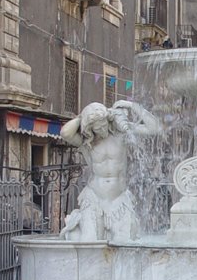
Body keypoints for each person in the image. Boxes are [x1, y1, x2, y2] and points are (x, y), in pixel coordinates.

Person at [59, 100, 161, 242]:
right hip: (94, 197)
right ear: (90, 129)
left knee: (124, 245)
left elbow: (154, 128)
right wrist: (84, 115)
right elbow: (65, 132)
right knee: (89, 241)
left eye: (103, 124)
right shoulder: (87, 142)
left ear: (108, 119)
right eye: (97, 128)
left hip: (119, 200)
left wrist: (131, 106)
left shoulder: (122, 133)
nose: (102, 130)